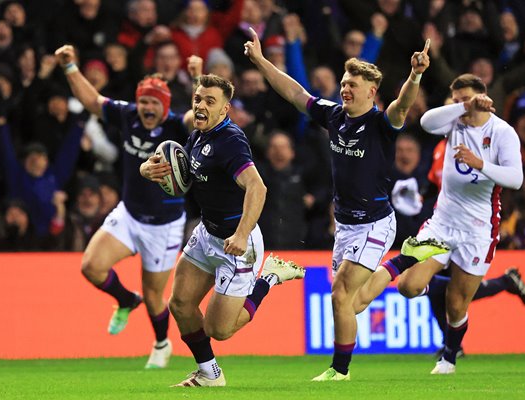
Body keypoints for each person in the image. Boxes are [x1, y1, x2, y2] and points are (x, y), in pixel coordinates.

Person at [245, 29, 446, 382]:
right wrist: (262, 61)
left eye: (353, 84)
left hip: (375, 223)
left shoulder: (382, 124)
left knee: (339, 295)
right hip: (346, 225)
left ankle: (340, 371)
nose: (345, 89)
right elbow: (295, 93)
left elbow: (401, 105)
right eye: (343, 83)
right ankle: (406, 258)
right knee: (352, 304)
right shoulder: (334, 116)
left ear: (372, 92)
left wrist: (415, 75)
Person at [140, 74, 305, 387]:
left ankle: (269, 277)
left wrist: (242, 234)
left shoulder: (230, 140)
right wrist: (147, 169)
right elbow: (177, 174)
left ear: (224, 110)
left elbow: (257, 187)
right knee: (180, 303)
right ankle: (209, 373)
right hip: (208, 232)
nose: (201, 105)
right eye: (198, 99)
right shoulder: (199, 136)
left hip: (237, 243)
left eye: (209, 101)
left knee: (220, 330)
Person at [354, 74, 524, 375]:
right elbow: (427, 122)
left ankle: (449, 356)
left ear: (484, 98)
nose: (460, 105)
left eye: (466, 99)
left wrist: (480, 163)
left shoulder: (502, 132)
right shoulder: (453, 122)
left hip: (478, 229)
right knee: (408, 286)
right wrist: (463, 107)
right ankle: (452, 287)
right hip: (442, 223)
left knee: (457, 306)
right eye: (456, 100)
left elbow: (516, 178)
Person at [55, 44, 196, 369]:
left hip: (165, 224)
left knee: (154, 296)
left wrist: (197, 79)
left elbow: (195, 116)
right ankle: (124, 299)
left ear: (164, 107)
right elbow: (92, 100)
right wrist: (70, 67)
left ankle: (161, 344)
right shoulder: (127, 114)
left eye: (153, 103)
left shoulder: (177, 126)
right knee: (90, 266)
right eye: (143, 100)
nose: (146, 107)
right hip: (130, 214)